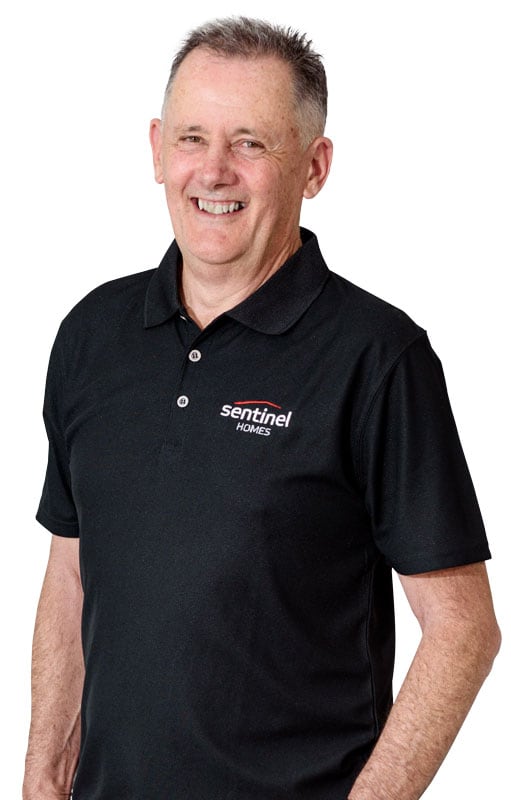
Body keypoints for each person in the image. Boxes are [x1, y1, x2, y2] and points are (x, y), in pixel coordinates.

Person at [23, 16, 500, 800]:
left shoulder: (377, 357)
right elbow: (71, 571)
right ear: (156, 149)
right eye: (192, 138)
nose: (213, 171)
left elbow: (462, 629)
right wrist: (42, 771)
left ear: (313, 167)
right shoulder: (93, 334)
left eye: (250, 143)